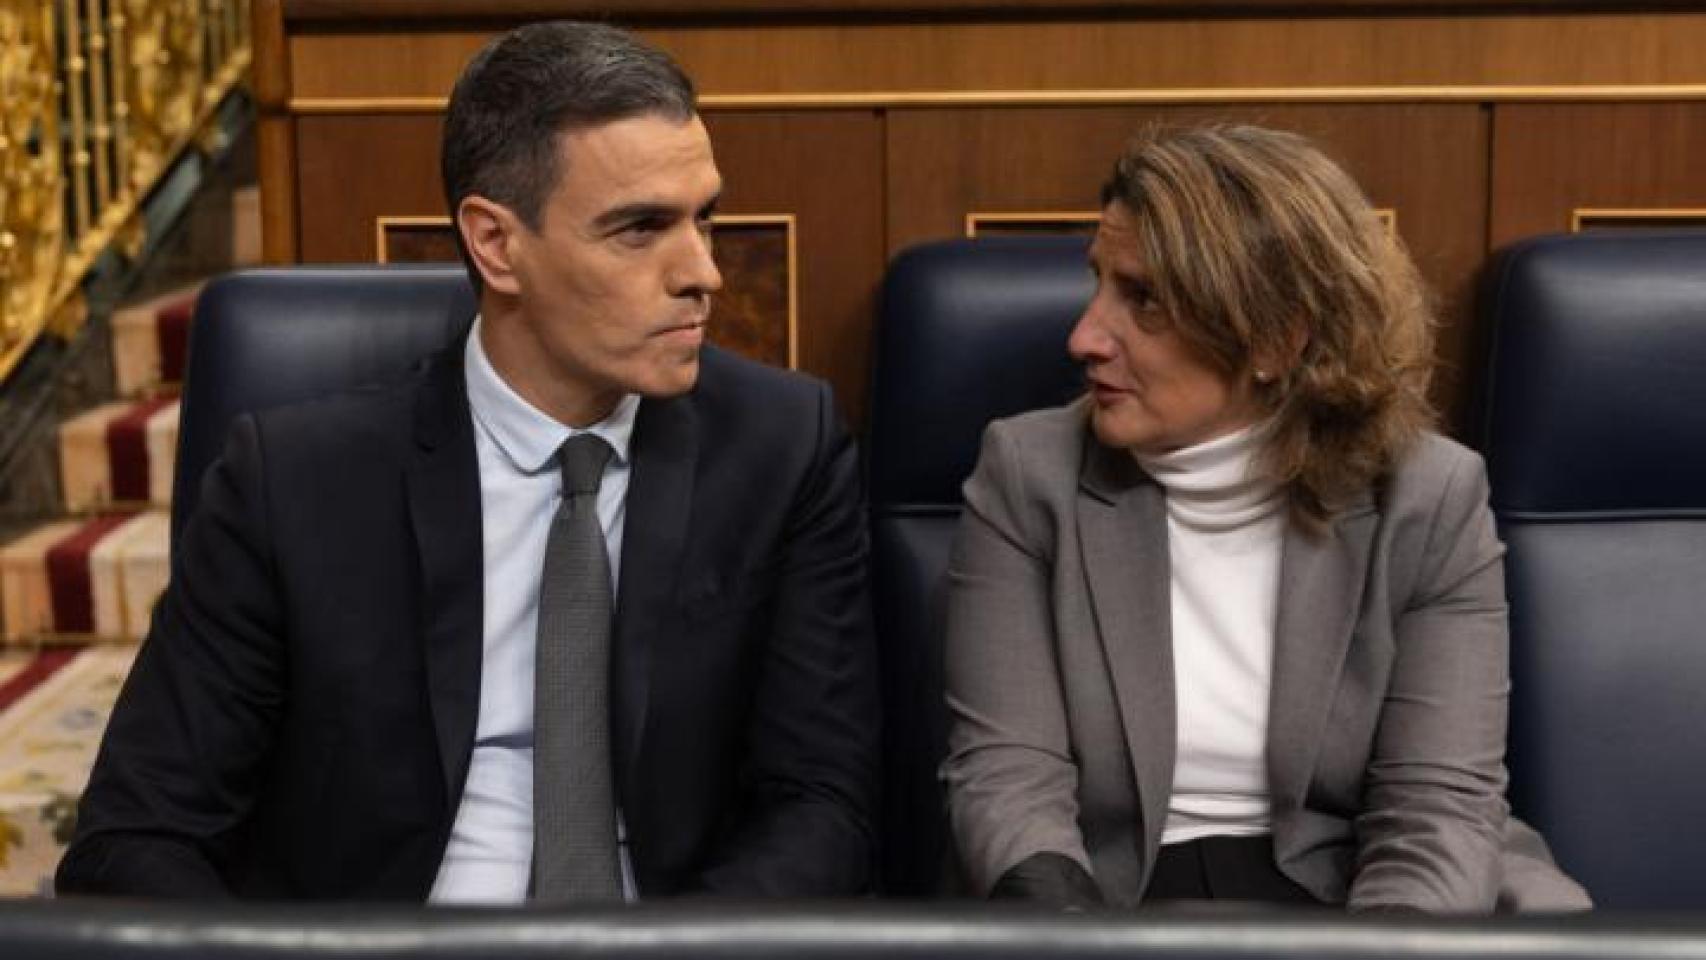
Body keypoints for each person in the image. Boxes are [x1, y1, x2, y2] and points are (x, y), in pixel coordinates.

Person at [57, 21, 878, 902]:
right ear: (495, 243)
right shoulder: (296, 483)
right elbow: (136, 836)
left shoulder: (782, 446)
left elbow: (823, 806)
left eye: (703, 217)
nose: (705, 271)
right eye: (641, 228)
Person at [940, 124, 1588, 913]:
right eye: (1099, 283)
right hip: (1104, 899)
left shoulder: (1429, 498)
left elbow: (1434, 809)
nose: (1085, 336)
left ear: (1277, 341)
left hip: (1359, 890)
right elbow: (1010, 779)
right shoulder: (1026, 473)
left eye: (1142, 299)